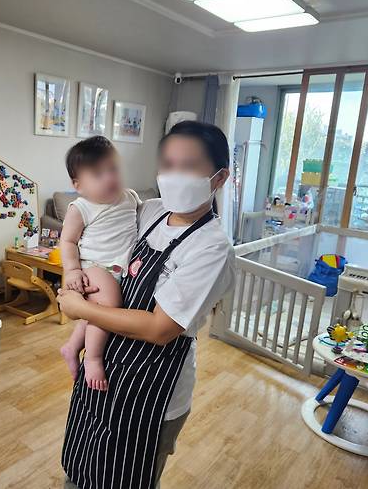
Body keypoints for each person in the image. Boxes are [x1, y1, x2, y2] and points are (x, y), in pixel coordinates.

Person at [58, 121, 236, 489]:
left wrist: (80, 310)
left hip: (152, 388)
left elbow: (160, 329)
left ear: (218, 178)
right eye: (167, 164)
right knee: (83, 461)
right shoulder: (151, 210)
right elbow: (96, 244)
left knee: (124, 477)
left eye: (188, 166)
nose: (174, 175)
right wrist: (71, 275)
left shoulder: (212, 247)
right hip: (108, 363)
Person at [59, 136, 140, 391]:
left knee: (93, 312)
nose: (109, 178)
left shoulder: (130, 197)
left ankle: (72, 346)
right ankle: (93, 357)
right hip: (96, 266)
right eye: (97, 174)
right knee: (108, 304)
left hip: (119, 266)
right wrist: (71, 270)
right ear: (78, 185)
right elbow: (68, 241)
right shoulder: (81, 207)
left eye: (113, 169)